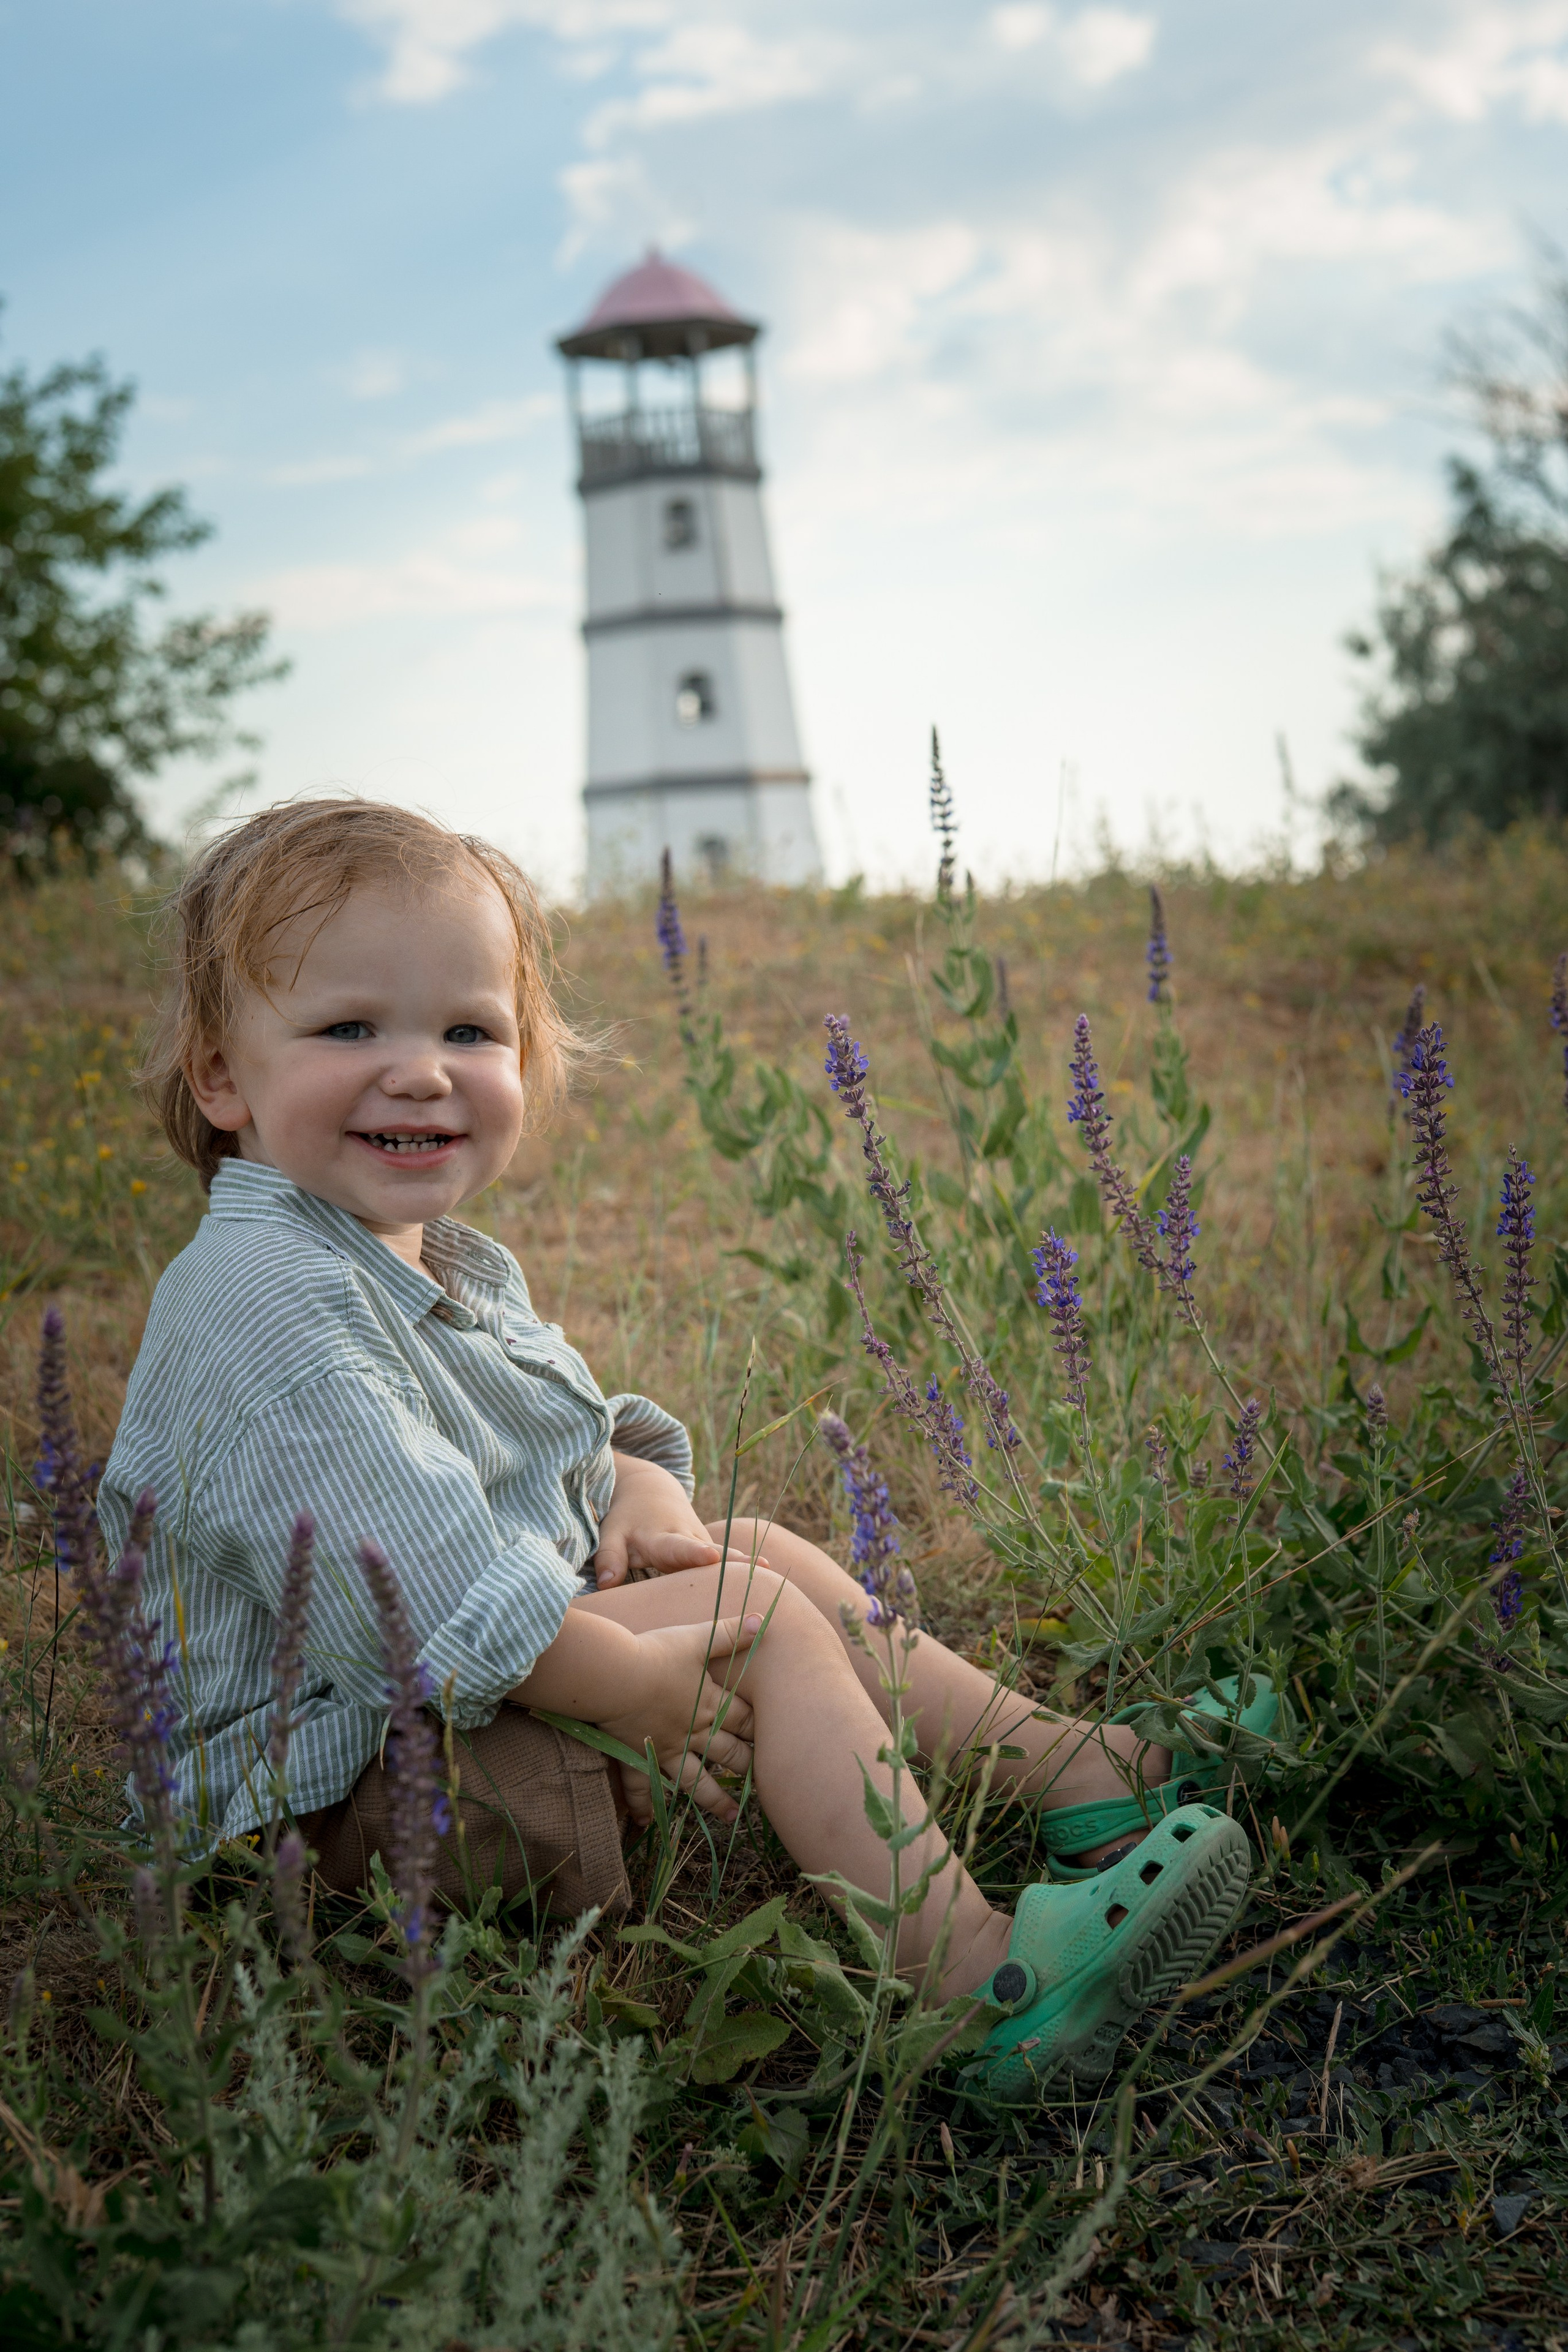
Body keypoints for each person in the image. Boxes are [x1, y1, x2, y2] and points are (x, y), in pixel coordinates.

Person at [99, 797, 1266, 2103]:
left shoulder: (403, 1260)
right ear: (219, 1076)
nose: (420, 1070)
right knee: (751, 1620)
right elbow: (418, 1606)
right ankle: (976, 1985)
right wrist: (638, 1688)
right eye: (347, 1029)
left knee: (742, 1552)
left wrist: (637, 1493)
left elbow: (574, 1445)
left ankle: (1081, 1777)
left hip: (420, 1715)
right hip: (328, 1810)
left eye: (468, 1031)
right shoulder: (262, 1296)